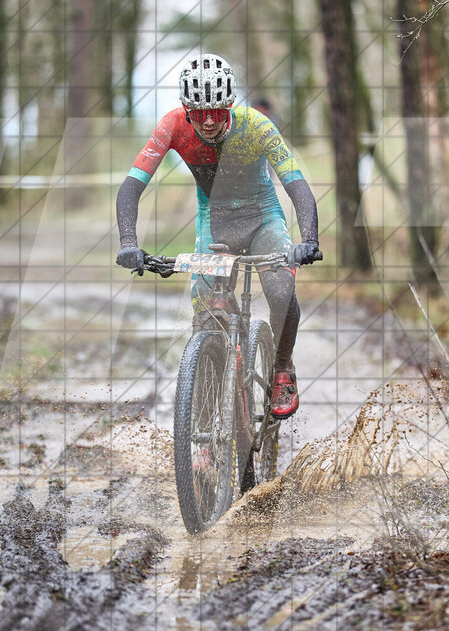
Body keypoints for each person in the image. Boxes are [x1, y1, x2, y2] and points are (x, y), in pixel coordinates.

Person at [115, 53, 320, 419]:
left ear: (230, 104)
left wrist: (309, 238)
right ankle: (207, 426)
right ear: (185, 108)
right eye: (198, 112)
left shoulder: (256, 125)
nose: (208, 120)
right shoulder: (172, 126)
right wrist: (128, 242)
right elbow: (132, 186)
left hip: (262, 218)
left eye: (216, 111)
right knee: (205, 312)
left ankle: (282, 369)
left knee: (279, 292)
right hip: (215, 223)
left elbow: (296, 184)